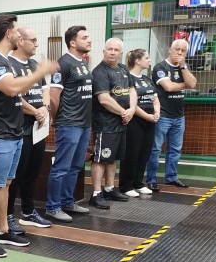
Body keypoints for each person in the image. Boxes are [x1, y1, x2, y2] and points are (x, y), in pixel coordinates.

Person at [0, 14, 57, 257]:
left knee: (6, 183)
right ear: (8, 34)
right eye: (15, 31)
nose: (18, 35)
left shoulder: (7, 62)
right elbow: (12, 88)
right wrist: (40, 72)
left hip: (14, 132)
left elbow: (18, 90)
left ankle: (3, 230)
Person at [45, 25, 94, 223]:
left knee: (75, 166)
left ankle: (67, 202)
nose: (89, 40)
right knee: (61, 167)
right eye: (85, 37)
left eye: (88, 37)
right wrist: (57, 118)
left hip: (84, 123)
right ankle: (52, 207)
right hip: (69, 122)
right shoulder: (63, 64)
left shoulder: (83, 62)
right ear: (73, 42)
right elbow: (53, 96)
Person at [6, 26, 52, 231]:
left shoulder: (34, 65)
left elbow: (45, 90)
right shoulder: (9, 64)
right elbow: (14, 95)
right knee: (15, 175)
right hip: (19, 128)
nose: (36, 44)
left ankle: (28, 211)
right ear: (20, 41)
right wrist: (35, 111)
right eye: (32, 40)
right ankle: (8, 215)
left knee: (33, 172)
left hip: (38, 128)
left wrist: (45, 108)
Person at [89, 38, 136, 209]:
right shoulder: (99, 72)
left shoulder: (123, 69)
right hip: (105, 124)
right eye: (109, 49)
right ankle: (96, 193)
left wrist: (132, 109)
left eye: (116, 50)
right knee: (101, 158)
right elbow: (104, 99)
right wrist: (124, 112)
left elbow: (132, 90)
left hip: (121, 123)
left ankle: (109, 188)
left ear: (121, 53)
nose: (112, 52)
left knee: (113, 157)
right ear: (104, 51)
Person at [146, 39, 197, 190]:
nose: (179, 53)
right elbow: (168, 87)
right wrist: (184, 84)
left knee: (175, 150)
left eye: (183, 51)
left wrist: (183, 66)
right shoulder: (160, 67)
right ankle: (151, 179)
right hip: (162, 115)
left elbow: (192, 83)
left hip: (179, 116)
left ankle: (171, 178)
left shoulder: (183, 68)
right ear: (170, 50)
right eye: (177, 49)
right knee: (155, 149)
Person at [119, 48, 160, 197]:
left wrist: (157, 113)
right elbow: (131, 104)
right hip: (135, 121)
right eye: (147, 58)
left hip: (150, 122)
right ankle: (126, 185)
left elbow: (155, 99)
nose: (149, 60)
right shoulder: (127, 78)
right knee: (132, 152)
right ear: (137, 61)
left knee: (145, 152)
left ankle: (138, 183)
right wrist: (147, 116)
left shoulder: (146, 79)